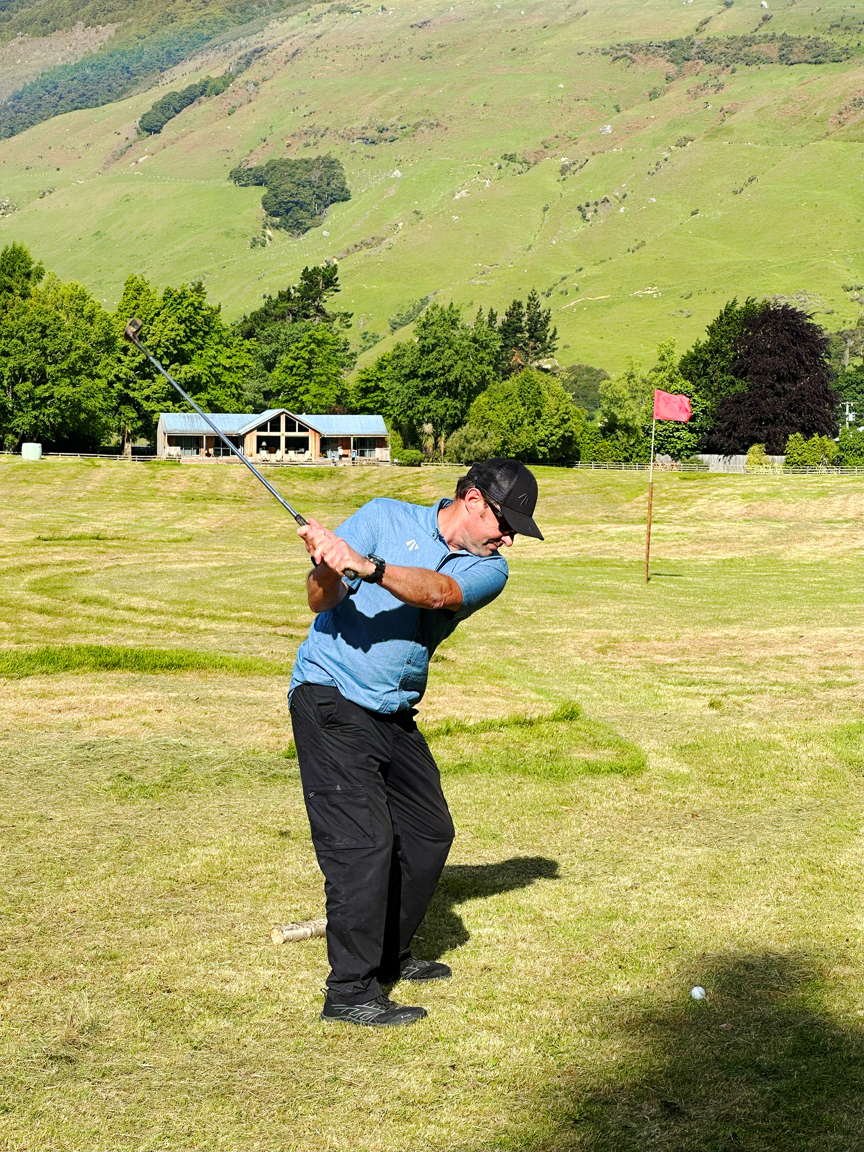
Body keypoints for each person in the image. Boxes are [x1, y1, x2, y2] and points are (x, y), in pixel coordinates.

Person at [289, 458, 544, 1027]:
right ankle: (350, 991)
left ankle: (387, 955)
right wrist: (328, 564)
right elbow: (318, 599)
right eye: (506, 523)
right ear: (474, 500)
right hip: (329, 693)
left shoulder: (490, 570)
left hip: (393, 709)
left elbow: (437, 593)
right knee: (364, 844)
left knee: (429, 834)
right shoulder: (383, 516)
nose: (509, 537)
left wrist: (366, 565)